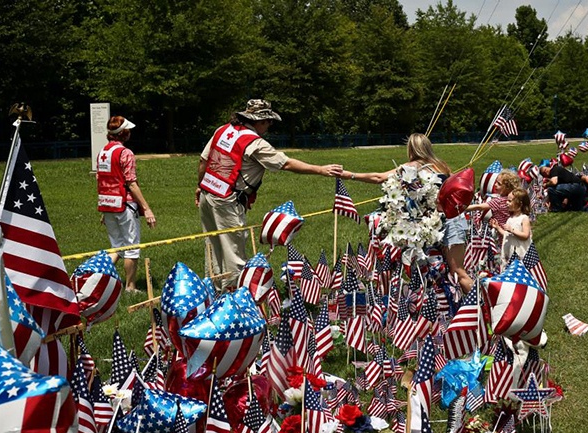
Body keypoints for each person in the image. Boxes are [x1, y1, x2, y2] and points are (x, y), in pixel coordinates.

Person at [196, 99, 342, 290]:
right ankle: (234, 300)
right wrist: (321, 170)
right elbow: (286, 164)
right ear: (260, 121)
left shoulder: (222, 130)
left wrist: (200, 186)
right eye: (268, 121)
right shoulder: (255, 143)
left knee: (213, 248)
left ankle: (213, 292)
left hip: (208, 193)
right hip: (227, 200)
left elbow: (203, 160)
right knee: (233, 253)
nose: (270, 125)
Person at [338, 133, 473, 294]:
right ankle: (464, 307)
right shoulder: (442, 167)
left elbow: (378, 177)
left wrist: (350, 175)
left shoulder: (409, 168)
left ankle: (483, 306)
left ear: (411, 149)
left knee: (449, 271)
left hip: (434, 225)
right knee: (455, 270)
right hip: (452, 221)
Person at [97, 116, 157, 293]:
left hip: (107, 204)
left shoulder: (103, 152)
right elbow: (131, 182)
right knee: (131, 247)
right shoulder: (125, 153)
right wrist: (146, 208)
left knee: (116, 247)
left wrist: (104, 208)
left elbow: (100, 179)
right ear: (124, 133)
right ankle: (130, 287)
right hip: (124, 204)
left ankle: (97, 279)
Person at [490, 188, 532, 269]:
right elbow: (507, 235)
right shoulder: (510, 219)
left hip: (521, 253)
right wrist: (498, 227)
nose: (507, 203)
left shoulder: (524, 218)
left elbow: (525, 235)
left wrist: (512, 230)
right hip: (510, 253)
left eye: (510, 201)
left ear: (519, 204)